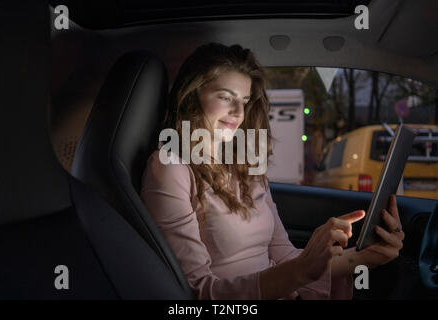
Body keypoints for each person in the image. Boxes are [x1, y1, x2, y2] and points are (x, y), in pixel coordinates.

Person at [140, 43, 404, 300]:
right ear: (192, 95)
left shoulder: (247, 167)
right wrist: (300, 270)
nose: (238, 113)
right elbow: (199, 292)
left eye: (244, 100)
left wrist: (366, 257)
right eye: (225, 97)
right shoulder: (170, 167)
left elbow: (285, 256)